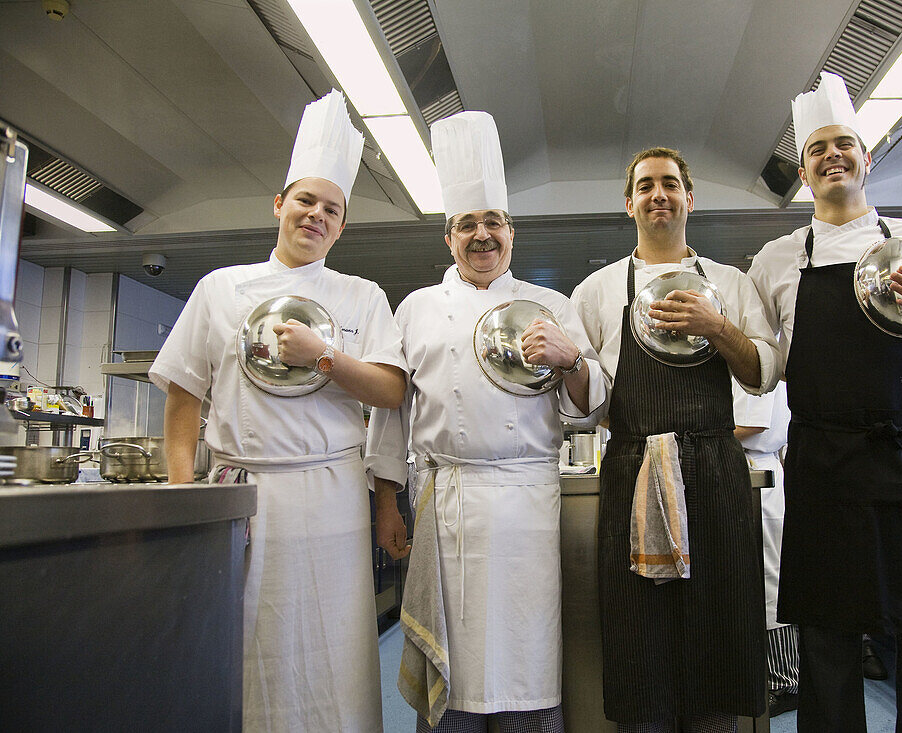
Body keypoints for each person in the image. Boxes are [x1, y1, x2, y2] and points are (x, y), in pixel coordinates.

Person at [150, 90, 407, 732]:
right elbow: (184, 396)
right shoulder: (221, 288)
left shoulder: (362, 296)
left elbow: (390, 391)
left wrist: (326, 358)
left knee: (334, 651)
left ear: (342, 226)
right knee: (248, 644)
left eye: (331, 209)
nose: (316, 216)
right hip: (243, 495)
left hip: (331, 495)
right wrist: (185, 497)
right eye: (305, 201)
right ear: (279, 206)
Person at [747, 72, 902, 733]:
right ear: (803, 170)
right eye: (817, 149)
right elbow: (762, 367)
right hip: (825, 469)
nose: (831, 156)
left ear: (866, 157)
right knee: (827, 644)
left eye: (843, 144)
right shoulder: (777, 260)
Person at [366, 111, 608, 733]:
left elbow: (596, 403)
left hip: (529, 500)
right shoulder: (417, 307)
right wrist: (386, 503)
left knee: (527, 647)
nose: (482, 235)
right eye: (467, 224)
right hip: (445, 501)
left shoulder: (551, 305)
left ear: (511, 233)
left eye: (493, 223)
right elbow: (392, 412)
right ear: (448, 238)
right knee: (453, 650)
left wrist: (569, 357)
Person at [571, 147, 781, 731]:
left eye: (669, 184)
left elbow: (762, 372)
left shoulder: (732, 285)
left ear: (690, 197)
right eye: (645, 186)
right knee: (639, 628)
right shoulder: (596, 291)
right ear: (629, 203)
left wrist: (717, 327)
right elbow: (585, 401)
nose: (657, 194)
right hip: (633, 469)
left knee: (714, 623)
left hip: (713, 469)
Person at [732, 380, 799, 718]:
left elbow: (752, 423)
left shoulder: (752, 355)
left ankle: (786, 681)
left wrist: (699, 440)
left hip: (759, 475)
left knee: (770, 580)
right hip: (744, 470)